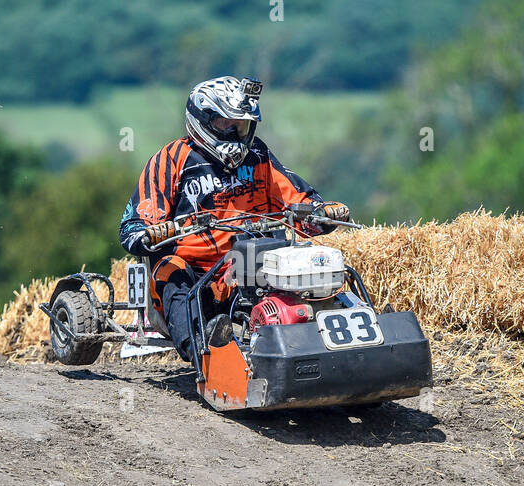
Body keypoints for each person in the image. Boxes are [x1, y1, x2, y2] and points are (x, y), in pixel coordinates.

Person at [118, 75, 350, 359]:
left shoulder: (257, 155)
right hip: (190, 269)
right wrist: (150, 232)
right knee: (172, 270)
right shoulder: (172, 158)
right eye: (226, 124)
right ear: (203, 120)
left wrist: (320, 213)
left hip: (243, 263)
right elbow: (133, 227)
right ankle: (202, 353)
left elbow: (296, 199)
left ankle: (338, 328)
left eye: (241, 125)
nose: (235, 132)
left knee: (304, 261)